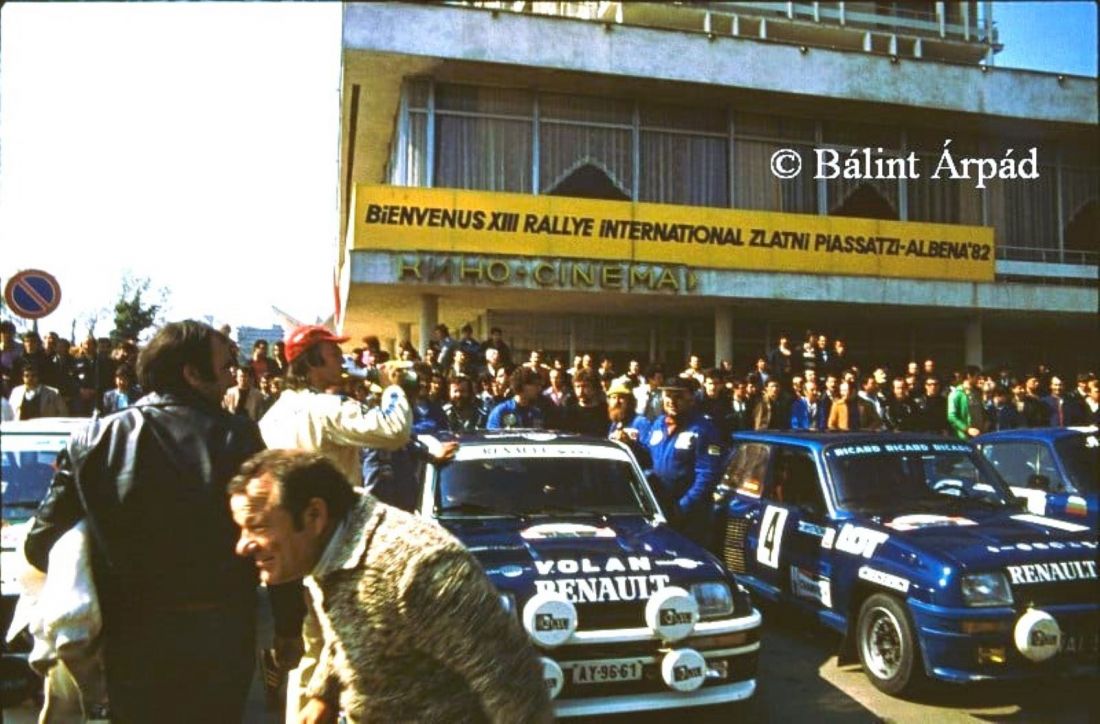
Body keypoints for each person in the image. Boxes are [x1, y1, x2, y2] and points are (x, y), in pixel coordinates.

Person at [24, 320, 264, 723]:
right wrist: (288, 624)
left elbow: (39, 545)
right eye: (225, 367)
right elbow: (270, 532)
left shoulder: (94, 438)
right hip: (220, 637)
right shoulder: (238, 436)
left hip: (131, 642)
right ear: (191, 373)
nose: (231, 378)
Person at [229, 449, 553, 723]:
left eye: (258, 527)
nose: (242, 546)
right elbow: (354, 628)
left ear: (314, 515)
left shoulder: (423, 568)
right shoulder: (325, 547)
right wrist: (324, 695)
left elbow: (515, 687)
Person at [256, 324, 412, 707]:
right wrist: (392, 388)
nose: (342, 360)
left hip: (293, 547)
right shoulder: (326, 407)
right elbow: (394, 431)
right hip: (336, 547)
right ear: (311, 362)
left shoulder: (273, 415)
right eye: (333, 354)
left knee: (313, 653)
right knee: (349, 650)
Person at [642, 377, 723, 546]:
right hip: (659, 509)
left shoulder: (704, 429)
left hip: (690, 516)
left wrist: (683, 507)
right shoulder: (658, 424)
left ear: (691, 398)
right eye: (668, 395)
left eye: (678, 396)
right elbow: (646, 458)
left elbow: (707, 474)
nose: (672, 401)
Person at [561, 367, 608, 436]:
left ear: (594, 388)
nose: (580, 391)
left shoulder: (605, 411)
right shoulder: (569, 412)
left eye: (585, 386)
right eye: (577, 387)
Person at [947, 366, 983, 440]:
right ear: (969, 376)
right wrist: (967, 429)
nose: (979, 379)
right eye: (977, 376)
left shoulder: (977, 393)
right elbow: (952, 416)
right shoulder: (956, 394)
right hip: (963, 437)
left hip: (979, 435)